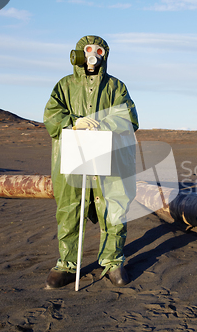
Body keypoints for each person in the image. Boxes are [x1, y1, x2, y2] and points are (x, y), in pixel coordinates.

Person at [43, 35, 139, 288]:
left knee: (113, 207)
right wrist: (73, 123)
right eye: (87, 50)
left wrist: (102, 122)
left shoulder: (116, 87)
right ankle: (67, 264)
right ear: (77, 54)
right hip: (72, 155)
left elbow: (129, 117)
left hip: (110, 157)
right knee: (70, 208)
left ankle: (112, 262)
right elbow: (52, 114)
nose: (92, 55)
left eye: (98, 51)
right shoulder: (64, 86)